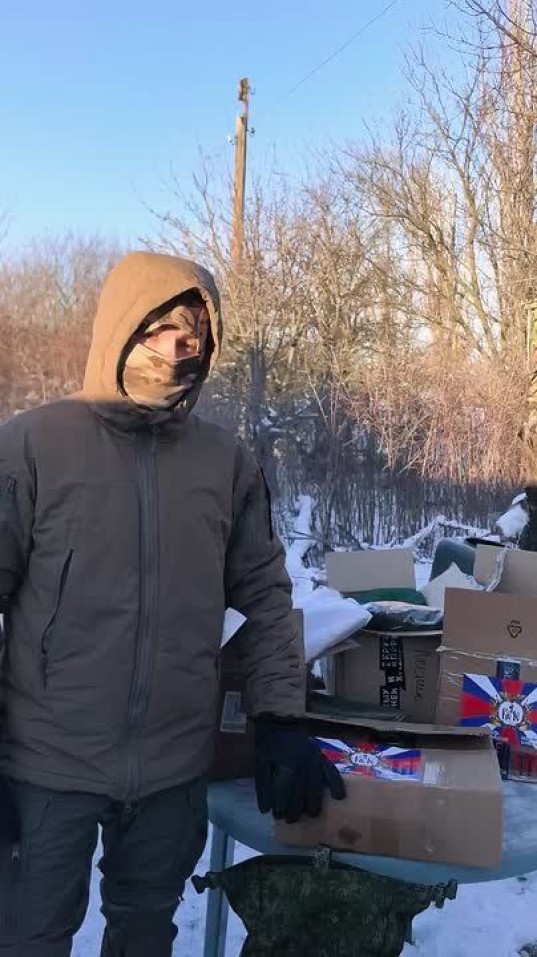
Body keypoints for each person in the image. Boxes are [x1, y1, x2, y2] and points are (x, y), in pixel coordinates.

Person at [0, 251, 344, 957]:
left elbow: (267, 596)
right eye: (165, 331)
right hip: (47, 762)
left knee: (145, 932)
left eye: (197, 338)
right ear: (123, 328)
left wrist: (279, 717)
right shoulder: (32, 446)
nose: (180, 351)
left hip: (172, 767)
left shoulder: (225, 462)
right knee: (28, 936)